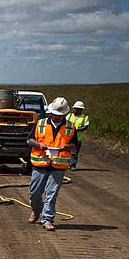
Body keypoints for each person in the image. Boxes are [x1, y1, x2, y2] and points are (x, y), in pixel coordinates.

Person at [27, 97, 78, 231]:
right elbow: (29, 140)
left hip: (58, 166)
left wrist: (66, 147)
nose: (57, 117)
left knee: (52, 193)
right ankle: (36, 211)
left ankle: (48, 219)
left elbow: (74, 144)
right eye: (55, 114)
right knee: (34, 193)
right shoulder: (41, 124)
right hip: (40, 164)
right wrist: (39, 145)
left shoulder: (70, 127)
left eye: (60, 115)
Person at [67, 100, 90, 169]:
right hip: (68, 136)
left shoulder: (85, 118)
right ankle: (66, 164)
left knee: (74, 152)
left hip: (78, 138)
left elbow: (85, 127)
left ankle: (72, 165)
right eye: (73, 108)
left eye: (75, 109)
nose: (73, 110)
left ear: (80, 110)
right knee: (66, 150)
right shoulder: (69, 116)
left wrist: (75, 130)